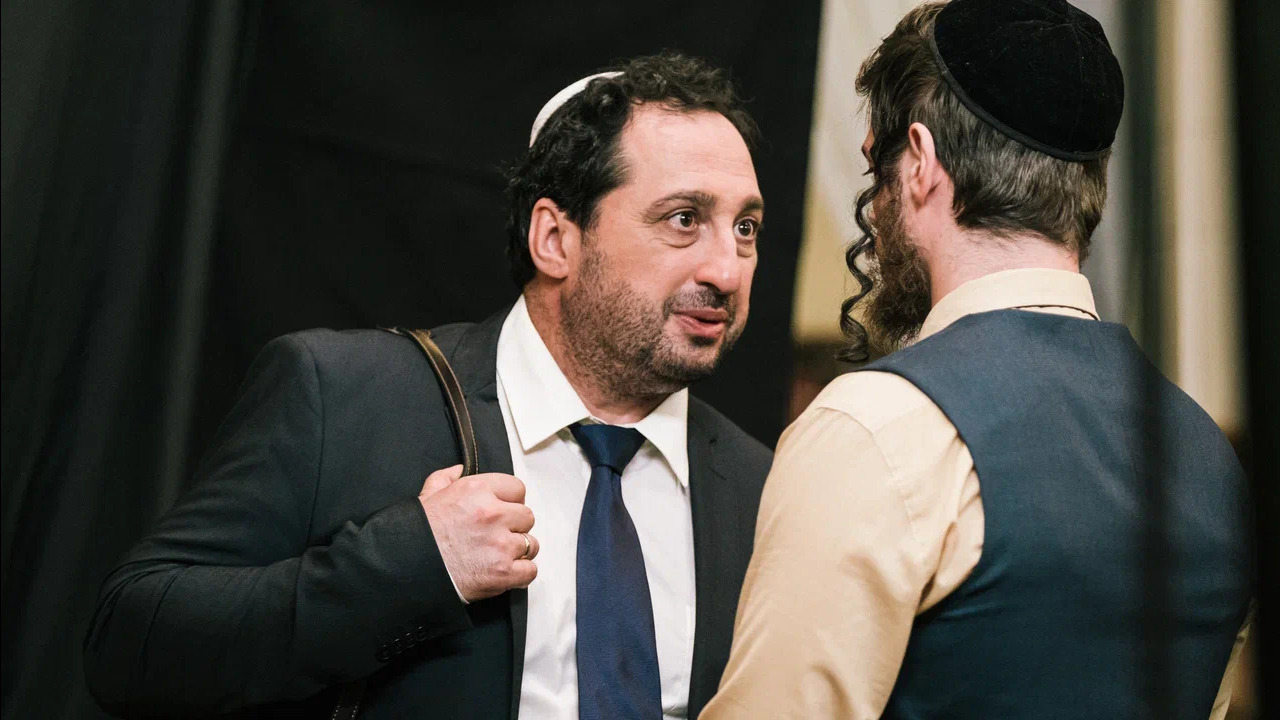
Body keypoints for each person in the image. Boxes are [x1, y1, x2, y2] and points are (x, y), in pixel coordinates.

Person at [84, 52, 772, 720]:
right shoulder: (346, 396)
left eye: (745, 228)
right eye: (684, 219)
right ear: (555, 239)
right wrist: (410, 566)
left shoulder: (762, 489)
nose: (727, 269)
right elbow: (130, 645)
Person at [703, 2, 1252, 719]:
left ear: (921, 161)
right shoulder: (1207, 458)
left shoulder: (875, 429)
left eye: (874, 167)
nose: (873, 209)